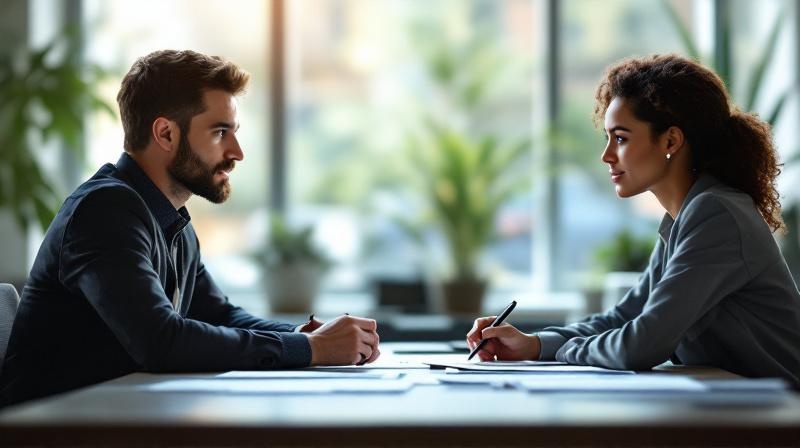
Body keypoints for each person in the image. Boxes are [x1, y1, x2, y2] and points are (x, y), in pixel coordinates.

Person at [0, 50, 380, 407]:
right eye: (219, 133)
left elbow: (220, 316)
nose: (237, 152)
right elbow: (162, 342)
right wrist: (313, 350)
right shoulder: (105, 211)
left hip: (116, 419)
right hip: (47, 432)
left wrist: (304, 336)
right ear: (165, 134)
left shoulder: (172, 223)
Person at [467, 54, 800, 386]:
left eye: (621, 138)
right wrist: (534, 344)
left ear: (670, 140)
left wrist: (567, 350)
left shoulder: (716, 214)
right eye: (608, 138)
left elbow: (641, 345)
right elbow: (625, 317)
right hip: (751, 412)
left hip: (783, 418)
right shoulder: (685, 217)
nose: (606, 155)